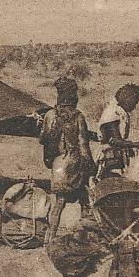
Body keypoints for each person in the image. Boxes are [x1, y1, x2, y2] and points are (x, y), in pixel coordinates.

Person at [39, 76, 95, 245]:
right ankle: (86, 237)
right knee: (85, 200)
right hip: (75, 163)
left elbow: (44, 140)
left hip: (58, 164)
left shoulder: (50, 115)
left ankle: (50, 238)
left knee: (59, 203)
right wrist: (90, 165)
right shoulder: (79, 117)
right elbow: (83, 145)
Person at [96, 84, 139, 178]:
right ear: (128, 100)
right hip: (109, 160)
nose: (134, 107)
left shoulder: (118, 112)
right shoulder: (112, 113)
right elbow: (115, 141)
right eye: (135, 102)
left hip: (116, 158)